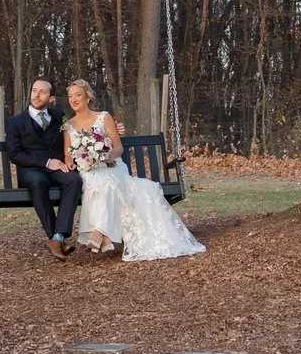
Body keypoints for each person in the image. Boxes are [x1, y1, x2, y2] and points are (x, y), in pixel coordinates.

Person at [63, 79, 203, 262]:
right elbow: (67, 154)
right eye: (70, 96)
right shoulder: (68, 126)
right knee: (98, 183)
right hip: (88, 169)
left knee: (107, 183)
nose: (73, 99)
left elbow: (118, 148)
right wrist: (71, 163)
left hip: (111, 165)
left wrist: (105, 155)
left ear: (87, 97)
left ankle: (99, 233)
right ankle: (102, 234)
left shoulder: (103, 117)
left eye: (78, 95)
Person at [2, 77, 79, 256]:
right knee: (39, 182)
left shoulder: (59, 116)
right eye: (34, 91)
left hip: (57, 167)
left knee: (73, 180)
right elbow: (14, 153)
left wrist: (112, 127)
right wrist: (45, 162)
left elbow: (80, 128)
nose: (37, 95)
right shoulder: (15, 122)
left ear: (51, 98)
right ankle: (55, 237)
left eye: (42, 92)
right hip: (31, 171)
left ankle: (58, 237)